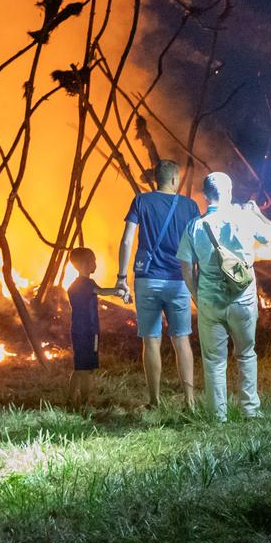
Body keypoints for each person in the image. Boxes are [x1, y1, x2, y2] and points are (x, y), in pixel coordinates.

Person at [177, 171, 271, 422]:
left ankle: (218, 416)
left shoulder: (195, 225)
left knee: (213, 360)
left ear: (205, 195)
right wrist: (256, 211)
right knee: (246, 353)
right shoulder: (243, 217)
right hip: (242, 299)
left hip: (210, 301)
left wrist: (195, 295)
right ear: (229, 192)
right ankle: (250, 409)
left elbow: (186, 266)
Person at [116, 160, 200, 407]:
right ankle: (190, 401)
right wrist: (197, 280)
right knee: (181, 339)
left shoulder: (141, 201)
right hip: (178, 281)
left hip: (147, 279)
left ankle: (154, 401)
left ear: (157, 179)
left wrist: (121, 277)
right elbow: (196, 245)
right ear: (175, 179)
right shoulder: (191, 206)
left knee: (151, 340)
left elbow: (126, 241)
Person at [65, 247, 120, 408]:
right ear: (86, 263)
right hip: (88, 332)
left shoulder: (74, 285)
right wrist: (120, 291)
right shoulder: (86, 283)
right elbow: (102, 291)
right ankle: (85, 403)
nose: (96, 263)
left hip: (77, 330)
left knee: (79, 367)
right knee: (87, 370)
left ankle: (71, 400)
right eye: (94, 260)